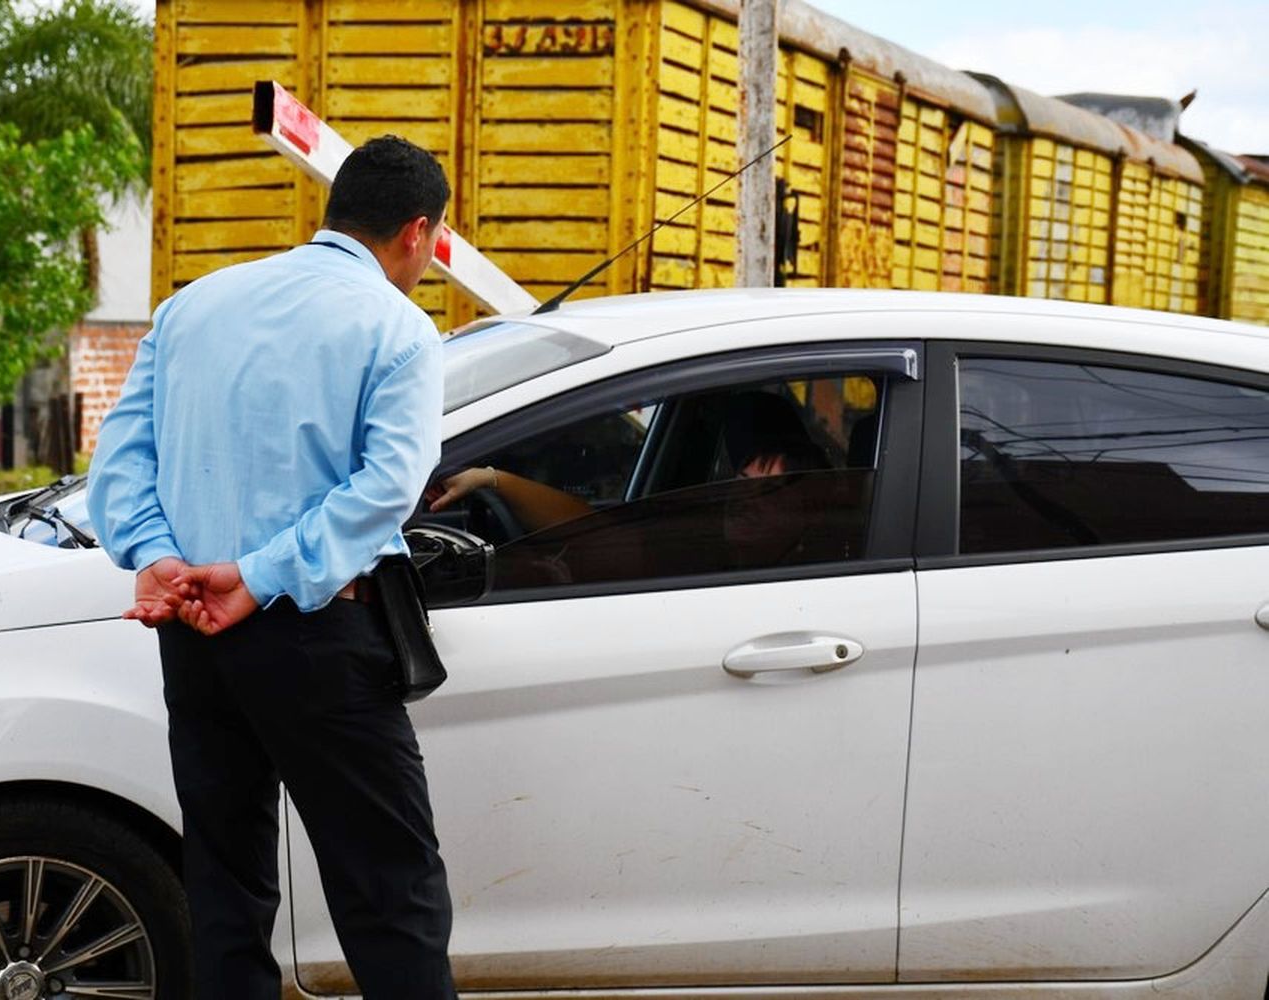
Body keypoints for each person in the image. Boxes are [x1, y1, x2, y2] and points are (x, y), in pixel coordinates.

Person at [86, 135, 456, 999]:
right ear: (417, 233)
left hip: (191, 635)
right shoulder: (399, 329)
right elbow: (385, 491)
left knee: (224, 879)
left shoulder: (194, 306)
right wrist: (255, 578)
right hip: (319, 639)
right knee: (388, 885)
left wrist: (160, 558)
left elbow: (120, 460)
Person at [425, 390, 830, 535]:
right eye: (741, 482)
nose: (744, 500)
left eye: (770, 491)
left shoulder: (801, 583)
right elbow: (595, 533)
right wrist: (494, 480)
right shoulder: (698, 548)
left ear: (807, 511)